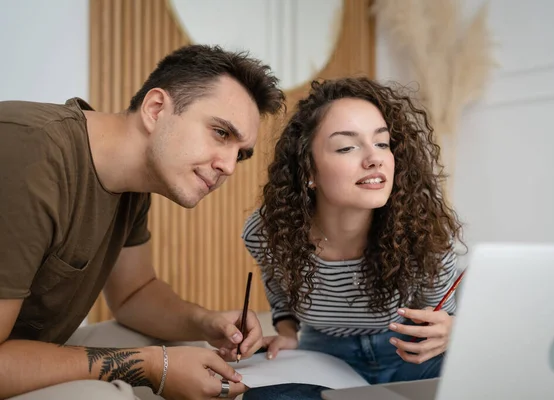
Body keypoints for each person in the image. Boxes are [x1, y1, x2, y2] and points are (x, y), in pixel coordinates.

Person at [0, 44, 285, 400]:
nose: (228, 166)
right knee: (105, 394)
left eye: (240, 154)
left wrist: (206, 323)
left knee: (177, 344)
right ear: (155, 109)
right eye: (221, 133)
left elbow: (133, 294)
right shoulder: (29, 152)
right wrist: (153, 365)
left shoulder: (134, 186)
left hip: (23, 350)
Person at [241, 77, 465, 399]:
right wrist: (287, 333)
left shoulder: (425, 232)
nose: (374, 158)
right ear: (309, 172)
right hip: (325, 357)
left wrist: (451, 330)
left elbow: (439, 319)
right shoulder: (267, 234)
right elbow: (279, 291)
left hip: (410, 355)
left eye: (382, 143)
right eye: (347, 146)